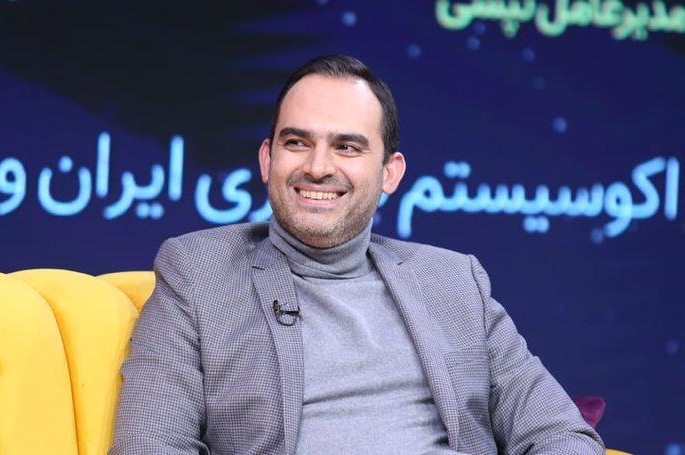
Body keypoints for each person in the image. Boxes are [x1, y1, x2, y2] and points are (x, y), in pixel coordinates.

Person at [109, 55, 605, 455]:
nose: (317, 167)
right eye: (297, 142)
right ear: (267, 158)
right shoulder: (197, 273)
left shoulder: (454, 281)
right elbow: (149, 444)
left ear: (390, 172)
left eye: (347, 147)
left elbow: (560, 433)